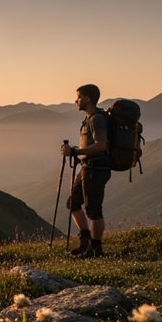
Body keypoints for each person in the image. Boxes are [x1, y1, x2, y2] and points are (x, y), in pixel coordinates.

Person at [61, 84, 111, 257]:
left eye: (79, 97)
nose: (76, 100)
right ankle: (86, 241)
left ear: (88, 98)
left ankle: (96, 249)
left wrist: (75, 152)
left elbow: (101, 145)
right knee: (73, 203)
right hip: (88, 167)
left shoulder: (97, 119)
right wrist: (77, 152)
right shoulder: (89, 118)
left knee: (93, 209)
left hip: (96, 169)